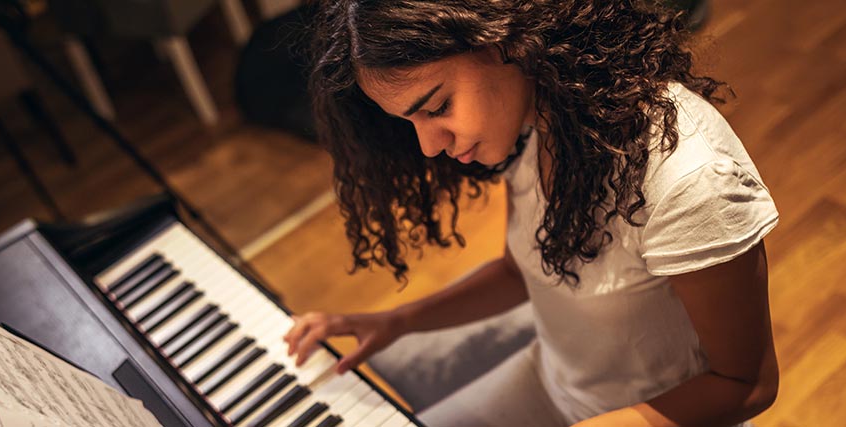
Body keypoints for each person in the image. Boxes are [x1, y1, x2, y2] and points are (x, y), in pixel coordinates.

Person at [283, 1, 780, 425]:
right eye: (408, 121)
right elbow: (520, 271)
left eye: (436, 108)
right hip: (554, 381)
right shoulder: (533, 119)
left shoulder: (688, 180)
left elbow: (747, 385)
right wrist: (394, 322)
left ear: (506, 42)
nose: (429, 146)